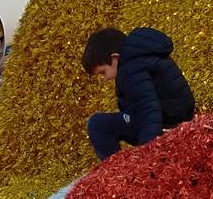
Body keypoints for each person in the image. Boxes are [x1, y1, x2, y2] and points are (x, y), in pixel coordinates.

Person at [82, 26, 197, 160]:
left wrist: (146, 153)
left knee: (98, 124)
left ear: (115, 58)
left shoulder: (130, 69)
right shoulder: (142, 57)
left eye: (103, 72)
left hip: (167, 122)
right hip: (175, 117)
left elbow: (149, 109)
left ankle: (115, 172)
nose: (105, 78)